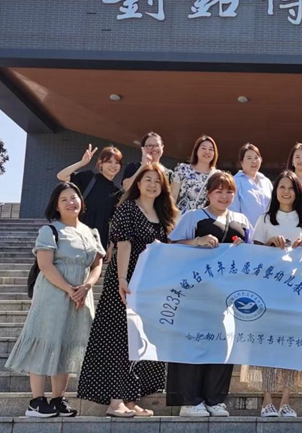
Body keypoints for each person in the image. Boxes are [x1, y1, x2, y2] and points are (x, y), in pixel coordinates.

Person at [77, 164, 177, 417]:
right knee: (119, 338)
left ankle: (131, 400)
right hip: (126, 282)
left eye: (157, 181)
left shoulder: (163, 213)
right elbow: (124, 244)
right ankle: (115, 401)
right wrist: (122, 279)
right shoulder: (128, 208)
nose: (152, 185)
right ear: (138, 184)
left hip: (150, 284)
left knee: (140, 339)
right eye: (147, 180)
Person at [5, 182, 105, 418]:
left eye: (74, 197)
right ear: (56, 206)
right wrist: (70, 289)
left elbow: (97, 264)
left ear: (81, 201)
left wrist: (87, 286)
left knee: (68, 343)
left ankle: (58, 398)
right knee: (44, 340)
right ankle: (36, 401)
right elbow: (45, 265)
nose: (71, 202)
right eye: (64, 200)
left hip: (81, 295)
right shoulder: (50, 230)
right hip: (54, 294)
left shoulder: (91, 232)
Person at [167, 171, 253, 417]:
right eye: (219, 191)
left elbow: (253, 253)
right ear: (208, 193)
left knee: (223, 344)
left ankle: (215, 399)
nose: (224, 196)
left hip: (227, 295)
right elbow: (170, 246)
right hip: (196, 293)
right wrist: (196, 241)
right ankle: (189, 401)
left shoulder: (241, 220)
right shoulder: (194, 217)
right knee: (193, 343)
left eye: (229, 192)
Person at [240, 170, 302, 417]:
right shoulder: (265, 219)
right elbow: (254, 255)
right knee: (266, 344)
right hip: (268, 291)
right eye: (281, 187)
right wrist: (269, 244)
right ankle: (267, 401)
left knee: (292, 345)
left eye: (290, 187)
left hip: (296, 291)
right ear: (275, 191)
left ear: (297, 192)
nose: (286, 192)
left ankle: (285, 400)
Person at [56, 144, 123, 251]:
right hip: (78, 238)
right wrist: (82, 163)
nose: (113, 165)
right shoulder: (89, 178)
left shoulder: (117, 192)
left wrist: (110, 245)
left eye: (117, 162)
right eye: (109, 162)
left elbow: (112, 222)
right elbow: (61, 176)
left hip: (99, 244)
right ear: (101, 163)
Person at [172, 135, 218, 214]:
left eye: (211, 149)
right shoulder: (182, 169)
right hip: (182, 217)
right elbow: (173, 196)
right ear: (196, 150)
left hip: (203, 218)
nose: (207, 152)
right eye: (203, 148)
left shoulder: (217, 176)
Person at [233, 143, 273, 227]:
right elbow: (233, 211)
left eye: (256, 157)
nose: (254, 161)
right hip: (246, 230)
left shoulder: (266, 181)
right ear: (241, 162)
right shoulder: (235, 181)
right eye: (249, 158)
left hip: (268, 230)